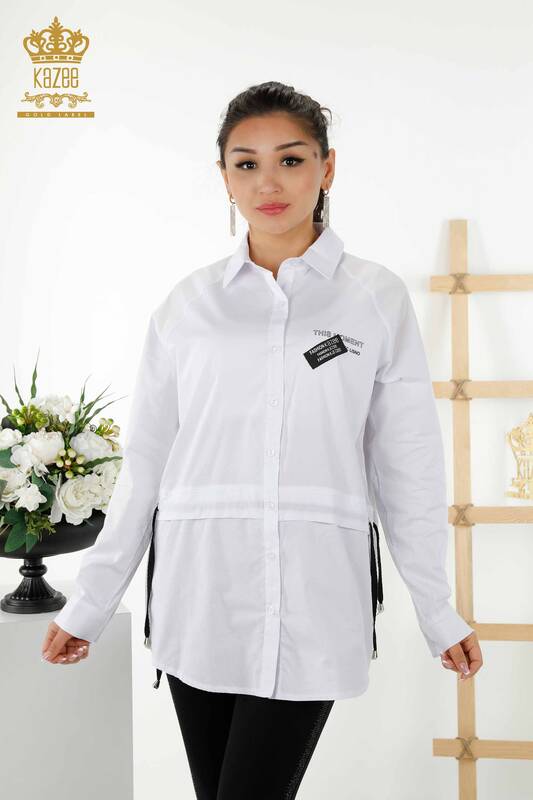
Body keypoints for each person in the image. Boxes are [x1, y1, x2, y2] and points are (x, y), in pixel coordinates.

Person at [40, 80, 483, 799]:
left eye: (291, 160)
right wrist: (91, 601)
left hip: (315, 597)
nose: (267, 183)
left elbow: (406, 465)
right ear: (224, 177)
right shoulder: (188, 306)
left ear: (327, 168)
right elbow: (147, 462)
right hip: (199, 595)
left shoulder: (373, 299)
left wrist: (437, 608)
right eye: (245, 164)